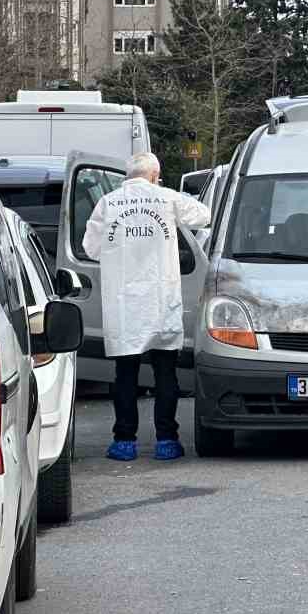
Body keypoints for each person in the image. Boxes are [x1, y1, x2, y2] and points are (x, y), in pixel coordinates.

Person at [83, 152, 210, 461]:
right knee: (165, 373)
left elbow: (91, 247)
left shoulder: (108, 203)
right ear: (155, 175)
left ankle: (124, 441)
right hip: (159, 301)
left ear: (128, 176)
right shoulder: (166, 198)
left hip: (124, 303)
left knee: (125, 375)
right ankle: (167, 440)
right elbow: (203, 215)